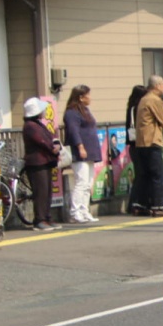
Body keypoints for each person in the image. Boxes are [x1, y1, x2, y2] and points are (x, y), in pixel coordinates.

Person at [132, 75, 163, 217]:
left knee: (145, 175)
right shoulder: (154, 100)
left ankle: (141, 204)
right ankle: (157, 206)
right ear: (157, 86)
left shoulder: (143, 99)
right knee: (157, 175)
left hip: (141, 142)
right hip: (152, 140)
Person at [22, 97, 61, 232]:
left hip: (44, 161)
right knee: (41, 192)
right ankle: (39, 220)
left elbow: (50, 138)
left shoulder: (37, 124)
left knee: (47, 191)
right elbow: (42, 141)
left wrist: (55, 144)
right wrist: (53, 148)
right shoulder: (30, 126)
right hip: (36, 163)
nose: (44, 111)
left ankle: (47, 217)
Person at [63, 85, 101, 224]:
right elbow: (73, 131)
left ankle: (85, 210)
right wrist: (80, 146)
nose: (90, 98)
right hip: (80, 152)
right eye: (88, 95)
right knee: (81, 182)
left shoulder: (85, 110)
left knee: (88, 183)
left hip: (90, 151)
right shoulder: (72, 113)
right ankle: (75, 212)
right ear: (80, 97)